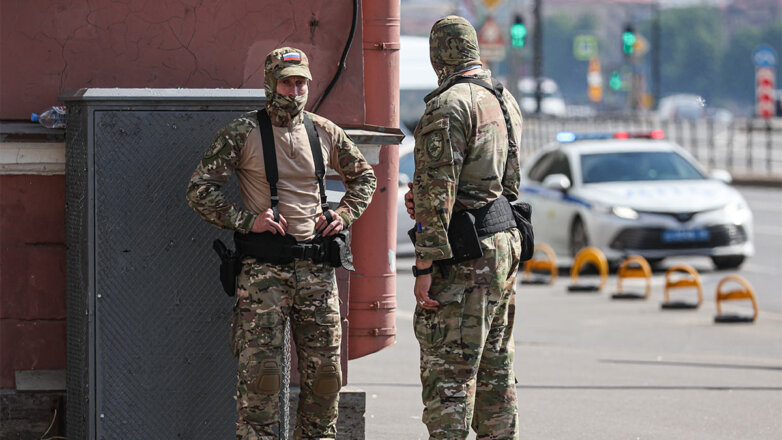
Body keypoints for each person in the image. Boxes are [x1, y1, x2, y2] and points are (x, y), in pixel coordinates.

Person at [186, 47, 376, 440]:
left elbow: (365, 178)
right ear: (271, 84)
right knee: (262, 380)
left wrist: (343, 215)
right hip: (264, 274)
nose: (295, 91)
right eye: (287, 83)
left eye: (301, 83)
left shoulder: (324, 131)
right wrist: (247, 220)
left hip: (317, 271)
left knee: (326, 378)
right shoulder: (243, 132)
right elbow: (199, 190)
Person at [404, 16, 524, 439]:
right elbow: (510, 184)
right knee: (495, 372)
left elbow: (436, 196)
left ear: (438, 55)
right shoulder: (503, 99)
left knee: (450, 377)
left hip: (464, 257)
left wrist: (424, 268)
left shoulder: (449, 105)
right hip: (502, 243)